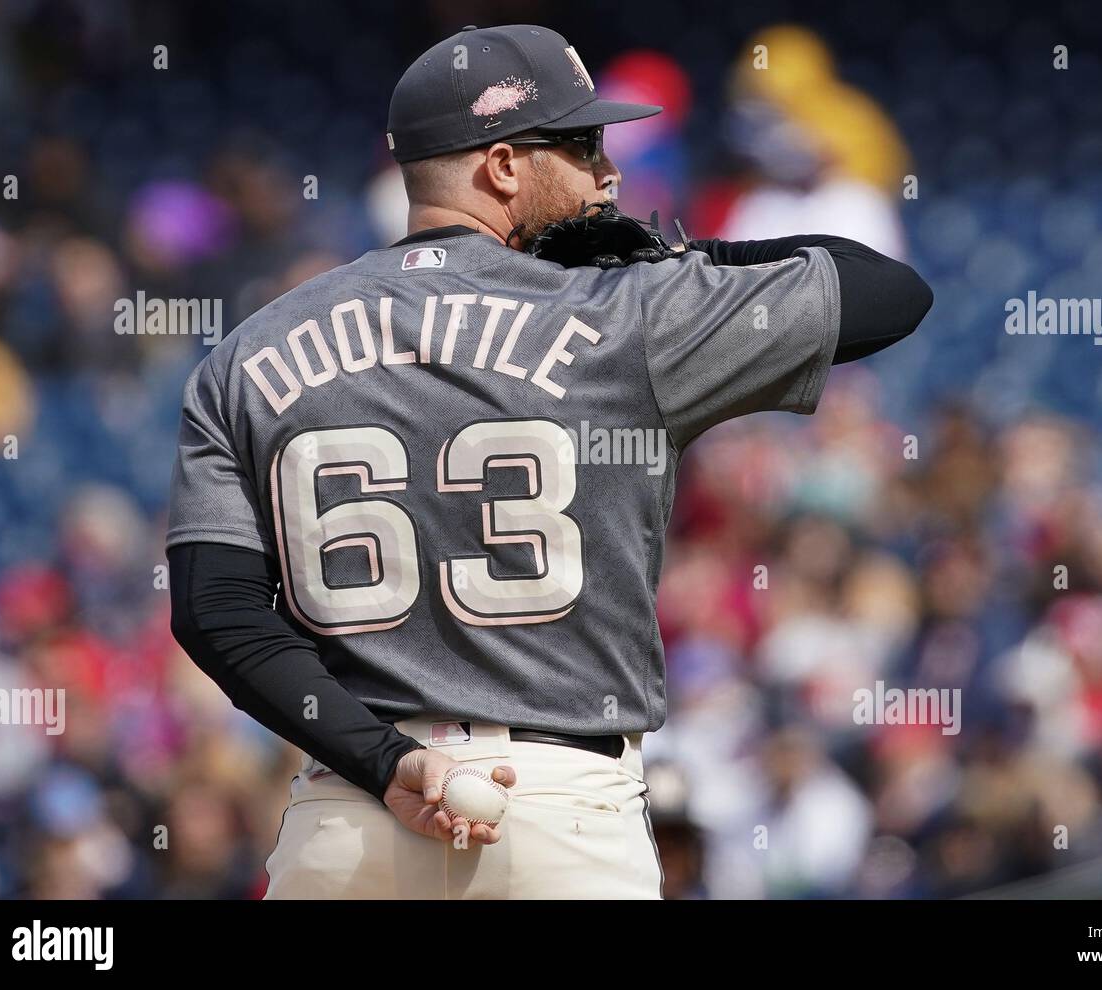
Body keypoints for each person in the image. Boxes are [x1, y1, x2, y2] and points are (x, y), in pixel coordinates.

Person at [166, 23, 933, 899]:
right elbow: (888, 292)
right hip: (562, 812)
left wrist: (385, 764)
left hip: (348, 824)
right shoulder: (627, 315)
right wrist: (677, 257)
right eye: (580, 143)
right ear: (502, 167)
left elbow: (215, 613)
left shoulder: (246, 354)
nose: (607, 171)